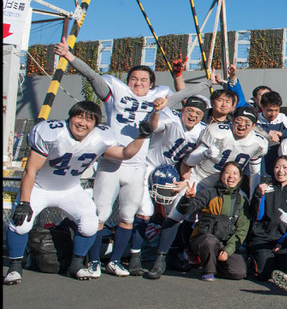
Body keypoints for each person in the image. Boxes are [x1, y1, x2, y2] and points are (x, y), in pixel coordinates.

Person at [54, 40, 179, 278]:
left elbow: (183, 95)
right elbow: (92, 77)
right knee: (100, 214)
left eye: (144, 80)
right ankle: (92, 262)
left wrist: (206, 84)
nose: (138, 83)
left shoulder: (158, 102)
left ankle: (114, 261)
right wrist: (70, 57)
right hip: (112, 162)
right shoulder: (115, 93)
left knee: (127, 216)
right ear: (127, 80)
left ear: (151, 84)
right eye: (134, 79)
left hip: (136, 166)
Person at [4, 101, 150, 284]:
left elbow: (125, 153)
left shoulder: (100, 137)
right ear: (70, 117)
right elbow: (30, 170)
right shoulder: (52, 133)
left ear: (95, 124)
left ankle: (76, 265)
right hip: (40, 188)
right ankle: (14, 268)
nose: (82, 123)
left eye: (89, 119)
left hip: (70, 189)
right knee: (21, 223)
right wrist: (25, 202)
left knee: (90, 222)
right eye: (78, 117)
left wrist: (142, 136)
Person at [145, 107, 268, 279]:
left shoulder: (258, 143)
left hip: (224, 188)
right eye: (239, 121)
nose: (242, 125)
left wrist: (256, 195)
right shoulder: (216, 131)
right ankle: (161, 258)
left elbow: (254, 174)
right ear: (232, 120)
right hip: (199, 179)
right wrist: (204, 152)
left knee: (221, 218)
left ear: (254, 125)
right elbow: (188, 160)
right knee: (178, 215)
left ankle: (196, 254)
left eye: (247, 123)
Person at [129, 95, 208, 275]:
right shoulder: (171, 118)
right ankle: (134, 257)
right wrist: (156, 111)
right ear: (182, 110)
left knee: (177, 213)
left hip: (175, 173)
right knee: (145, 211)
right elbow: (154, 126)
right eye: (190, 111)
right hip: (149, 166)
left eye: (198, 113)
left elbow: (191, 161)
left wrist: (187, 181)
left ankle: (160, 258)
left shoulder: (202, 131)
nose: (193, 116)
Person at [176, 162, 250, 281]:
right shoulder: (209, 193)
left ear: (240, 178)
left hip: (224, 243)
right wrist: (187, 199)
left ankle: (213, 263)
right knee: (210, 241)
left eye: (235, 173)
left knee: (238, 272)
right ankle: (208, 271)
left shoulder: (242, 200)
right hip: (204, 239)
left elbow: (242, 229)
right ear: (221, 175)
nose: (231, 176)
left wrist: (228, 250)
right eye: (227, 172)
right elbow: (186, 210)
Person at [246, 156, 287, 280]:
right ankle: (250, 258)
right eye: (277, 167)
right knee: (263, 274)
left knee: (286, 270)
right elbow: (256, 215)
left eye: (285, 167)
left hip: (283, 241)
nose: (281, 171)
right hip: (263, 238)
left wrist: (283, 242)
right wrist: (259, 196)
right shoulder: (265, 187)